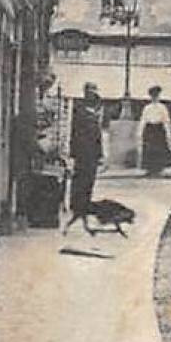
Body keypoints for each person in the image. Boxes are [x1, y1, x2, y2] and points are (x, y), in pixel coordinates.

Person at [66, 84, 105, 231]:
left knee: (90, 178)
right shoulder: (80, 110)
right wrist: (73, 151)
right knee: (80, 178)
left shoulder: (95, 112)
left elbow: (98, 135)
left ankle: (85, 203)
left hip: (92, 152)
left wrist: (100, 154)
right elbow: (74, 132)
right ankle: (76, 204)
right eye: (90, 94)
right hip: (82, 151)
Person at [139, 85, 171, 176]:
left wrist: (168, 133)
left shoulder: (162, 107)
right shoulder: (147, 108)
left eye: (156, 96)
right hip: (149, 129)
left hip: (159, 129)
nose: (155, 98)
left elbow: (166, 120)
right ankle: (150, 168)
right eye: (153, 96)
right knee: (149, 149)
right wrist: (140, 132)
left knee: (159, 149)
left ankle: (159, 168)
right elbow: (143, 120)